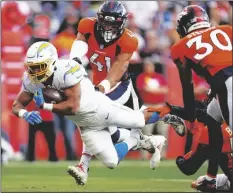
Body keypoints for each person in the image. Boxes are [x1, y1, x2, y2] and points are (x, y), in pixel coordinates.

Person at [12, 41, 166, 184]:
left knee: (139, 121)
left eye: (39, 67)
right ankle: (142, 141)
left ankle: (172, 112)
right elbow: (17, 105)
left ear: (52, 62)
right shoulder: (31, 80)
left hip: (100, 108)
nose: (35, 71)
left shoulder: (66, 70)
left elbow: (73, 107)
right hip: (84, 121)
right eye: (32, 67)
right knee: (112, 161)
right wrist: (24, 114)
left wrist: (45, 106)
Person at [71, 1, 153, 184]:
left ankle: (83, 165)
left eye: (113, 24)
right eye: (105, 23)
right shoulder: (86, 25)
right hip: (97, 84)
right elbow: (80, 44)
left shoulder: (129, 40)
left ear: (122, 23)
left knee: (90, 116)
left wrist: (102, 88)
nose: (108, 28)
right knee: (109, 133)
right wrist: (74, 61)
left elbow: (118, 68)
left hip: (118, 87)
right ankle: (139, 140)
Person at [154, 5, 232, 191]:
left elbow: (188, 87)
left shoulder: (180, 46)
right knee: (213, 119)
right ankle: (212, 178)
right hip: (224, 86)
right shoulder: (227, 29)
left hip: (228, 86)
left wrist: (188, 115)